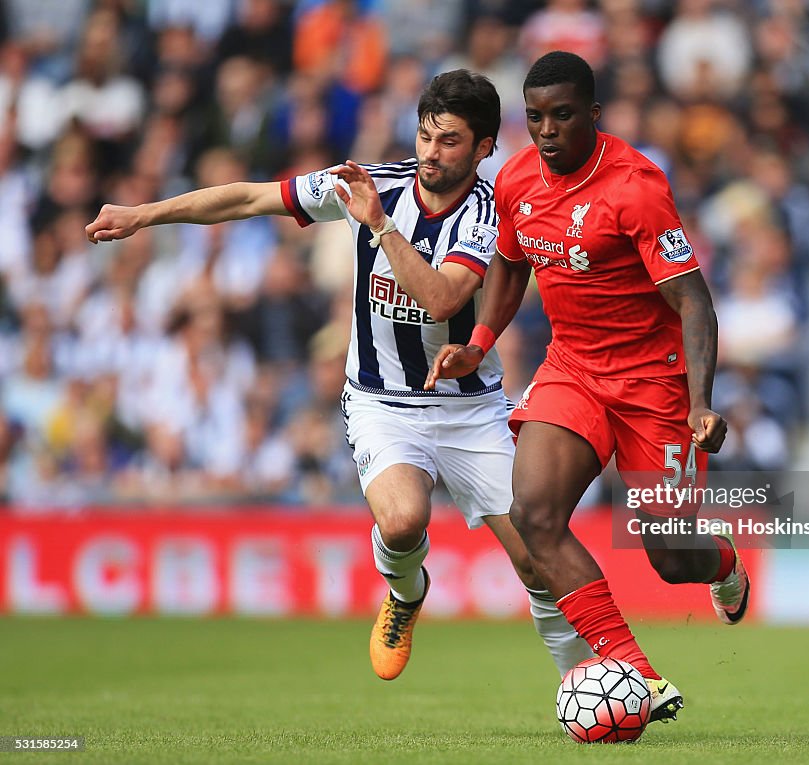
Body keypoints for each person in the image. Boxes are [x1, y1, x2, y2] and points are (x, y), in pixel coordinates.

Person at [85, 69, 592, 682]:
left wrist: (379, 225)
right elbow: (249, 197)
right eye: (426, 136)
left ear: (484, 147)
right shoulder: (373, 184)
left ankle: (580, 683)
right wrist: (144, 214)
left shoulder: (489, 213)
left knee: (538, 563)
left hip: (468, 408)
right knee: (403, 521)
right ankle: (406, 594)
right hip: (382, 401)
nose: (431, 153)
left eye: (450, 141)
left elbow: (440, 300)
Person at [427, 51, 748, 722]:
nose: (547, 131)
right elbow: (511, 268)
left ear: (593, 116)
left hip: (654, 384)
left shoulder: (636, 187)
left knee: (667, 551)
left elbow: (694, 301)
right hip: (573, 368)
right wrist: (479, 344)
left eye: (563, 116)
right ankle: (635, 670)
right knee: (534, 515)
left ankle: (720, 564)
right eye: (536, 117)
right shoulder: (515, 180)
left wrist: (700, 402)